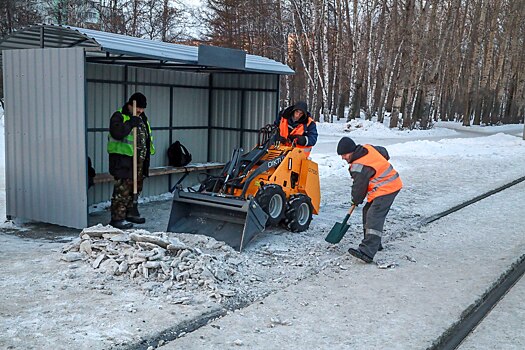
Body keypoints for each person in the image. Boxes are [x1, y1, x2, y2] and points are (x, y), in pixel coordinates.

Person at [337, 137, 402, 263]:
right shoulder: (368, 148)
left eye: (344, 154)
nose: (343, 158)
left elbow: (359, 188)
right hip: (384, 188)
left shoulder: (359, 167)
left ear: (351, 151)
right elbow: (384, 152)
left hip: (388, 188)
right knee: (367, 211)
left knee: (374, 215)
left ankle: (367, 251)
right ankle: (375, 244)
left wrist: (355, 200)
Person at [107, 92, 155, 229]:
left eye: (142, 108)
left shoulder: (142, 118)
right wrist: (130, 123)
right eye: (137, 107)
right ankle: (117, 218)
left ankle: (130, 213)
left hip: (139, 160)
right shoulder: (119, 116)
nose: (140, 110)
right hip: (123, 160)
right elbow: (117, 133)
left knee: (135, 187)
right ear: (130, 105)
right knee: (123, 189)